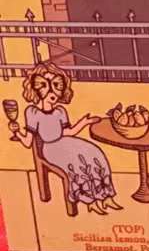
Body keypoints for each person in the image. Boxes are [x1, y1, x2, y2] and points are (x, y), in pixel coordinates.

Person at [14, 61, 121, 214]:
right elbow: (28, 142)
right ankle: (88, 200)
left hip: (65, 142)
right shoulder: (32, 112)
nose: (52, 93)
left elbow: (68, 132)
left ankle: (105, 196)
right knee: (76, 163)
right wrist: (17, 133)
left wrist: (84, 122)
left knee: (94, 152)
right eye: (46, 85)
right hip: (49, 149)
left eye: (56, 85)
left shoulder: (60, 111)